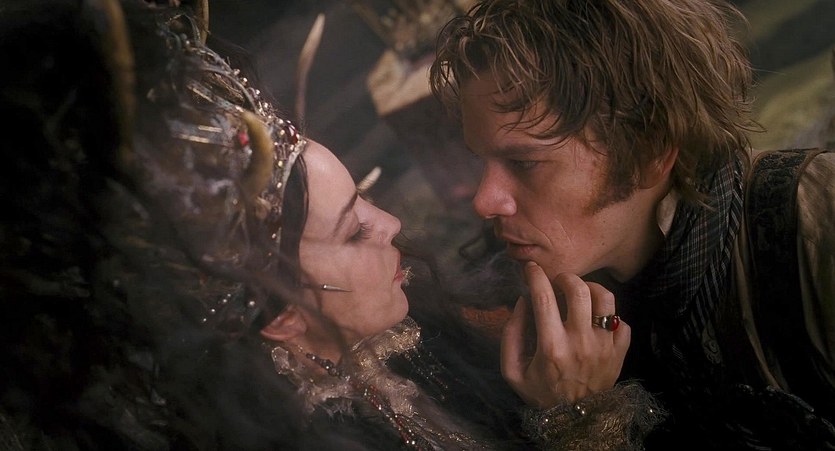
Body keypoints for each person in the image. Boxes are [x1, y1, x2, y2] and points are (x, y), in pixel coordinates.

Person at [0, 0, 665, 449]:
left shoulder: (420, 341)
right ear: (281, 319)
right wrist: (580, 420)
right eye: (352, 230)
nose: (392, 222)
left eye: (364, 201)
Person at [429, 0, 835, 449]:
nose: (485, 201)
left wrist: (580, 422)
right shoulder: (543, 313)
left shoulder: (812, 225)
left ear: (648, 151)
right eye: (482, 161)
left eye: (524, 163)